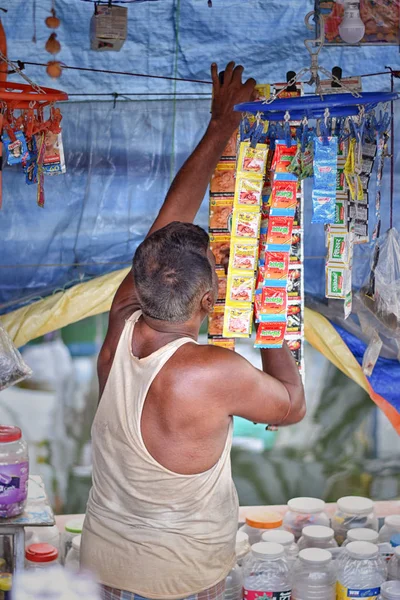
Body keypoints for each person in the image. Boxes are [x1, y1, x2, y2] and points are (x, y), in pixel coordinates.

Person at [81, 61, 306, 600]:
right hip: (176, 581)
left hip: (103, 566)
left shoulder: (123, 319)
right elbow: (293, 405)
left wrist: (219, 128)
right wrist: (264, 303)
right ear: (209, 300)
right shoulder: (210, 372)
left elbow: (164, 233)